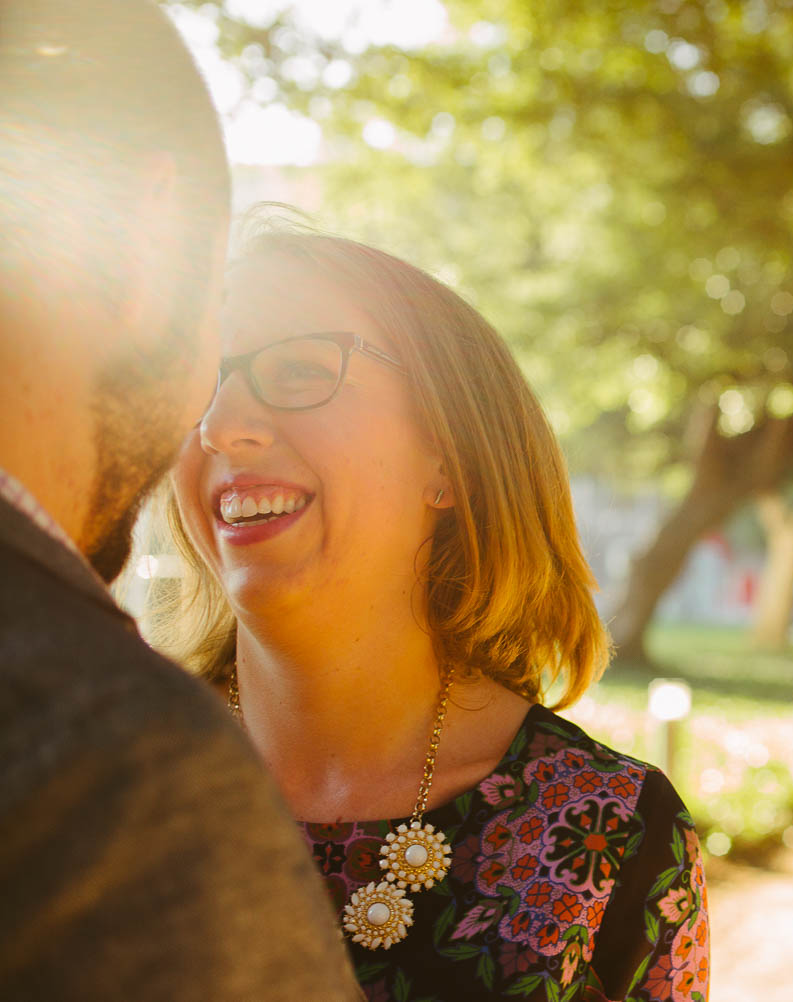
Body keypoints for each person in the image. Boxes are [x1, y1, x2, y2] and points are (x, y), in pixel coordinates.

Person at [157, 223, 710, 1001]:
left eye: (300, 369)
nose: (219, 425)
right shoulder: (83, 791)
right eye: (195, 382)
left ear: (446, 454)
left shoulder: (613, 835)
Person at [0, 2, 364, 998]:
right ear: (142, 241)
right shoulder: (121, 774)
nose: (220, 419)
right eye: (217, 311)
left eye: (298, 371)